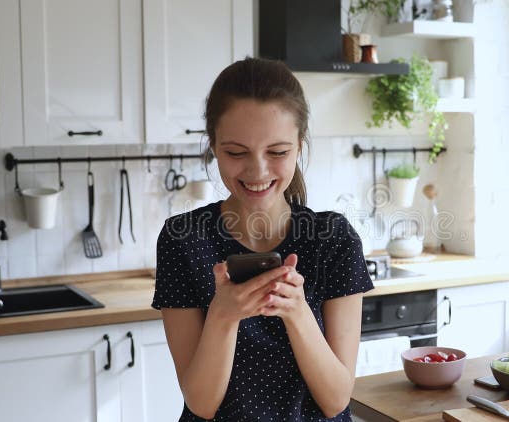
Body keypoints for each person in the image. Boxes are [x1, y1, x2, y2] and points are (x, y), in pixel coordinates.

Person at [151, 57, 374, 422]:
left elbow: (336, 400)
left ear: (300, 146)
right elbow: (201, 404)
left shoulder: (333, 238)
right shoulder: (183, 239)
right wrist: (223, 316)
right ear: (214, 146)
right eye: (236, 152)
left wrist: (296, 312)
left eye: (277, 152)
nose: (257, 171)